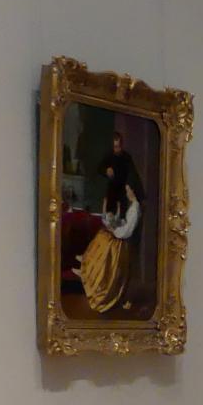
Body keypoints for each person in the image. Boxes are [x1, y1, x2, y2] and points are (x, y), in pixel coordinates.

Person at [74, 181, 141, 313]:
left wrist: (113, 229)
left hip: (121, 243)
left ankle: (87, 269)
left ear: (134, 192)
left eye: (128, 190)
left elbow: (127, 231)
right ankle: (86, 263)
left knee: (105, 238)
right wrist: (116, 224)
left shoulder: (135, 208)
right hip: (120, 236)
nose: (127, 193)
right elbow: (126, 224)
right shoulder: (133, 205)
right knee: (102, 234)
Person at [98, 131, 143, 218]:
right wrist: (106, 170)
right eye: (115, 147)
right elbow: (99, 168)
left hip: (123, 192)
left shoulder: (127, 157)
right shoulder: (109, 155)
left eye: (119, 147)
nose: (117, 149)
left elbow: (132, 173)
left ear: (121, 145)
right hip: (112, 192)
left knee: (122, 218)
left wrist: (128, 185)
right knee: (109, 217)